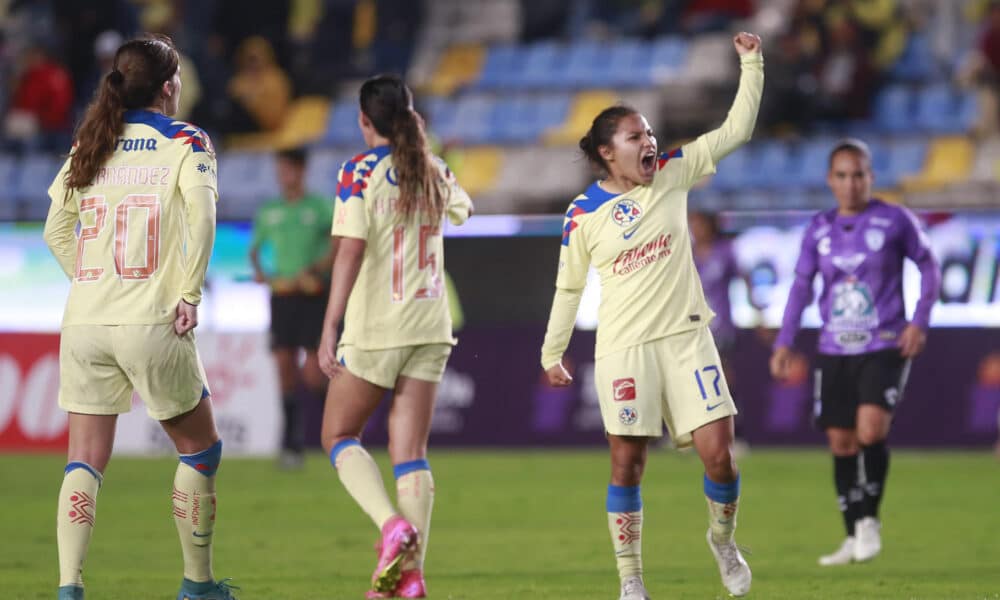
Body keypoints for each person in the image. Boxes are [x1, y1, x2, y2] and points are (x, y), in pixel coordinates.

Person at [541, 32, 764, 600]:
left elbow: (735, 130)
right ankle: (631, 579)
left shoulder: (670, 172)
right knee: (628, 466)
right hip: (624, 347)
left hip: (688, 337)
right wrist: (552, 350)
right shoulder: (582, 214)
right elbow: (569, 285)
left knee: (721, 457)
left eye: (650, 132)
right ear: (607, 152)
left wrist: (751, 61)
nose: (649, 141)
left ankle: (723, 540)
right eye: (634, 135)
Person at [42, 34, 236, 600]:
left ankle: (68, 586)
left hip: (85, 322)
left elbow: (56, 228)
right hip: (151, 319)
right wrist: (190, 293)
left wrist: (93, 279)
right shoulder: (186, 139)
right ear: (170, 86)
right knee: (200, 450)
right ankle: (197, 586)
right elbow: (201, 218)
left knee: (84, 459)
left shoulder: (92, 141)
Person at [317, 74, 472, 599]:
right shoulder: (431, 167)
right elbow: (464, 211)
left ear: (365, 121)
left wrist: (329, 325)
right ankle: (410, 580)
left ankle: (392, 527)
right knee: (411, 454)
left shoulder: (358, 172)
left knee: (338, 436)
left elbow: (350, 250)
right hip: (431, 326)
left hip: (378, 327)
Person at [769, 138, 941, 566]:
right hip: (833, 347)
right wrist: (785, 341)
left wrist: (919, 320)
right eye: (842, 176)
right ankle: (851, 534)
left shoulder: (895, 219)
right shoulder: (819, 228)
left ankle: (869, 522)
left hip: (883, 344)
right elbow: (802, 286)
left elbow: (929, 264)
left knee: (870, 432)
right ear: (831, 180)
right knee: (842, 443)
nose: (851, 184)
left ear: (871, 177)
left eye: (859, 174)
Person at [249, 147, 333, 469]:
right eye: (280, 169)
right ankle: (291, 444)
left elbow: (338, 244)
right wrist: (261, 272)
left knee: (313, 373)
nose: (283, 176)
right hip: (282, 295)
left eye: (288, 169)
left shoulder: (320, 207)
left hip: (313, 294)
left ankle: (334, 431)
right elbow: (255, 250)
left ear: (301, 171)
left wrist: (314, 270)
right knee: (284, 366)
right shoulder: (270, 211)